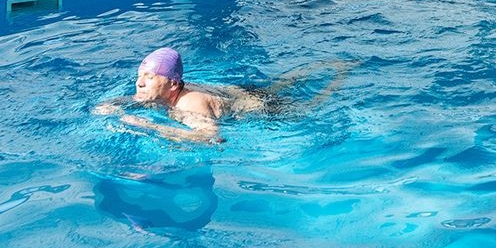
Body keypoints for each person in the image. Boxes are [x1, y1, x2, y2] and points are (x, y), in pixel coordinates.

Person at [94, 47, 353, 143]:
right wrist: (115, 104)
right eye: (140, 76)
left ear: (173, 84)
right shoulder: (167, 92)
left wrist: (145, 125)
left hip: (265, 110)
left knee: (312, 105)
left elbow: (211, 138)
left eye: (149, 78)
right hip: (240, 94)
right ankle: (335, 64)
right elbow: (145, 99)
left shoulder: (191, 103)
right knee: (282, 82)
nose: (139, 83)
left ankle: (341, 75)